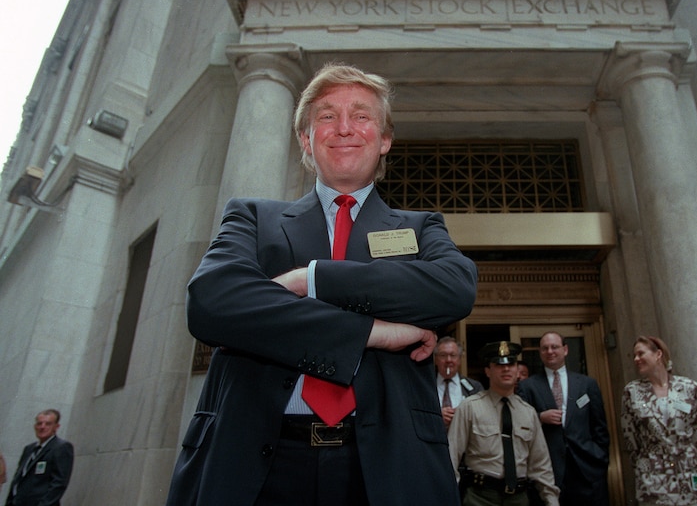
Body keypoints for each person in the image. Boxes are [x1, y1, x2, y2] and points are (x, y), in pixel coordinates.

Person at [165, 63, 478, 506]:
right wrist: (375, 333)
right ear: (306, 140)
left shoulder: (421, 227)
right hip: (254, 464)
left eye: (362, 116)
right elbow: (211, 302)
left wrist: (310, 278)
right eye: (327, 116)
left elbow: (453, 288)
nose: (344, 128)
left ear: (385, 139)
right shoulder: (254, 218)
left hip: (386, 470)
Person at [448, 341, 560, 506]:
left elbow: (541, 464)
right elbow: (452, 455)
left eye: (511, 364)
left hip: (519, 498)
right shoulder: (470, 407)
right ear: (488, 371)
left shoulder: (528, 412)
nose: (506, 369)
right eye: (499, 365)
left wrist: (552, 501)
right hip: (480, 497)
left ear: (517, 371)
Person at [517, 332, 610, 506]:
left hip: (586, 468)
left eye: (555, 347)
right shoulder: (527, 386)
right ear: (540, 352)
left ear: (565, 350)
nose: (550, 351)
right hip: (547, 469)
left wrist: (600, 457)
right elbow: (519, 423)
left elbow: (599, 426)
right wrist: (539, 417)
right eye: (545, 348)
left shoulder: (586, 384)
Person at [620, 336, 697, 506]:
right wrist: (645, 463)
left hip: (689, 473)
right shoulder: (632, 392)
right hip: (654, 478)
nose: (636, 359)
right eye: (634, 355)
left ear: (658, 354)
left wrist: (685, 453)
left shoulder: (689, 388)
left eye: (641, 353)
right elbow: (630, 438)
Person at [4, 409, 74, 506]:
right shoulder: (29, 449)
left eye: (48, 424)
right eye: (39, 423)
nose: (42, 427)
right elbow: (18, 478)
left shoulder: (61, 447)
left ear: (56, 427)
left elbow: (59, 483)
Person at [434, 336, 483, 429]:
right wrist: (436, 416)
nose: (448, 360)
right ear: (436, 359)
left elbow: (482, 418)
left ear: (459, 359)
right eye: (443, 355)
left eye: (453, 355)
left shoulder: (474, 388)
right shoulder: (425, 386)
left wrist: (462, 415)